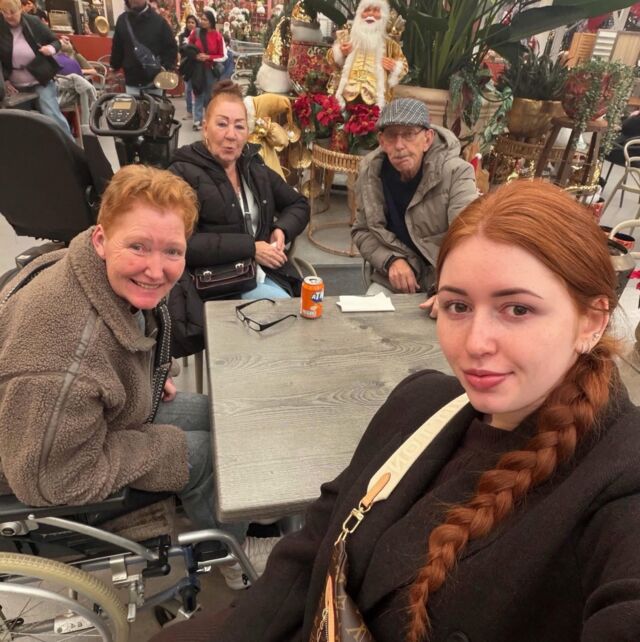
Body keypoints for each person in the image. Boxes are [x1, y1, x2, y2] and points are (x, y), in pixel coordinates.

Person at [151, 180, 640, 642]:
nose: (476, 344)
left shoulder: (621, 480)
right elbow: (310, 552)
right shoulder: (419, 405)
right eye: (457, 306)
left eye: (517, 310)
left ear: (591, 320)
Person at [0, 165, 272, 590]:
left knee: (220, 416)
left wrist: (148, 372)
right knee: (204, 453)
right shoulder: (62, 362)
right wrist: (163, 449)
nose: (156, 270)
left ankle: (236, 506)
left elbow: (123, 340)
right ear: (101, 239)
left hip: (82, 418)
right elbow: (51, 479)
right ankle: (232, 557)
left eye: (172, 251)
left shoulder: (90, 267)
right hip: (47, 461)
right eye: (138, 247)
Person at [167, 80, 309, 357]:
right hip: (216, 285)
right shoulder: (181, 173)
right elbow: (179, 243)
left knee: (308, 316)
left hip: (264, 273)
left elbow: (299, 204)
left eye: (239, 126)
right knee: (292, 328)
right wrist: (250, 248)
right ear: (205, 127)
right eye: (222, 124)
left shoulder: (253, 167)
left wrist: (281, 229)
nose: (231, 135)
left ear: (248, 132)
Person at [352, 97, 477, 306]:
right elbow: (361, 230)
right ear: (382, 141)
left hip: (446, 279)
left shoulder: (457, 172)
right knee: (368, 318)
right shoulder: (371, 173)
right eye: (391, 135)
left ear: (427, 139)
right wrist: (391, 260)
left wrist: (450, 290)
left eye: (409, 134)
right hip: (395, 278)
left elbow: (468, 238)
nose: (399, 145)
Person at [0, 0, 71, 137]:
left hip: (41, 81)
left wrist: (50, 49)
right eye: (4, 12)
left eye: (12, 12)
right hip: (15, 87)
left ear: (20, 9)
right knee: (18, 123)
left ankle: (70, 148)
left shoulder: (34, 22)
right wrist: (5, 80)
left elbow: (55, 41)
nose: (8, 16)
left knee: (52, 115)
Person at [327, 0, 408, 109]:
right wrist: (340, 52)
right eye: (367, 10)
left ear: (383, 15)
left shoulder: (390, 44)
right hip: (346, 99)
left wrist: (394, 66)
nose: (370, 14)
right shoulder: (348, 37)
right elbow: (330, 59)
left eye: (375, 10)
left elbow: (404, 67)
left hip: (375, 101)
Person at [110, 0, 177, 96]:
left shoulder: (159, 21)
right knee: (132, 105)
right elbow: (117, 47)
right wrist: (114, 67)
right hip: (132, 81)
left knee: (155, 105)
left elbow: (171, 48)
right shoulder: (122, 20)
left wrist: (165, 67)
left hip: (154, 82)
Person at [187, 7, 226, 131]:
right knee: (198, 92)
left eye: (205, 20)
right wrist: (195, 56)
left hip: (210, 69)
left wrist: (208, 57)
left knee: (209, 95)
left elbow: (223, 55)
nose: (202, 22)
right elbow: (188, 48)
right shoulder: (196, 33)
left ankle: (209, 119)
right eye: (202, 19)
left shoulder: (218, 36)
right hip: (197, 68)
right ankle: (197, 120)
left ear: (211, 21)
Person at [177, 13, 198, 121]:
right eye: (189, 22)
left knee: (198, 89)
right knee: (188, 90)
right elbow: (181, 50)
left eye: (193, 22)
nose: (190, 24)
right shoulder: (182, 36)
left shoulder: (200, 35)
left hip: (197, 65)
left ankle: (198, 112)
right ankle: (189, 111)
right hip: (187, 66)